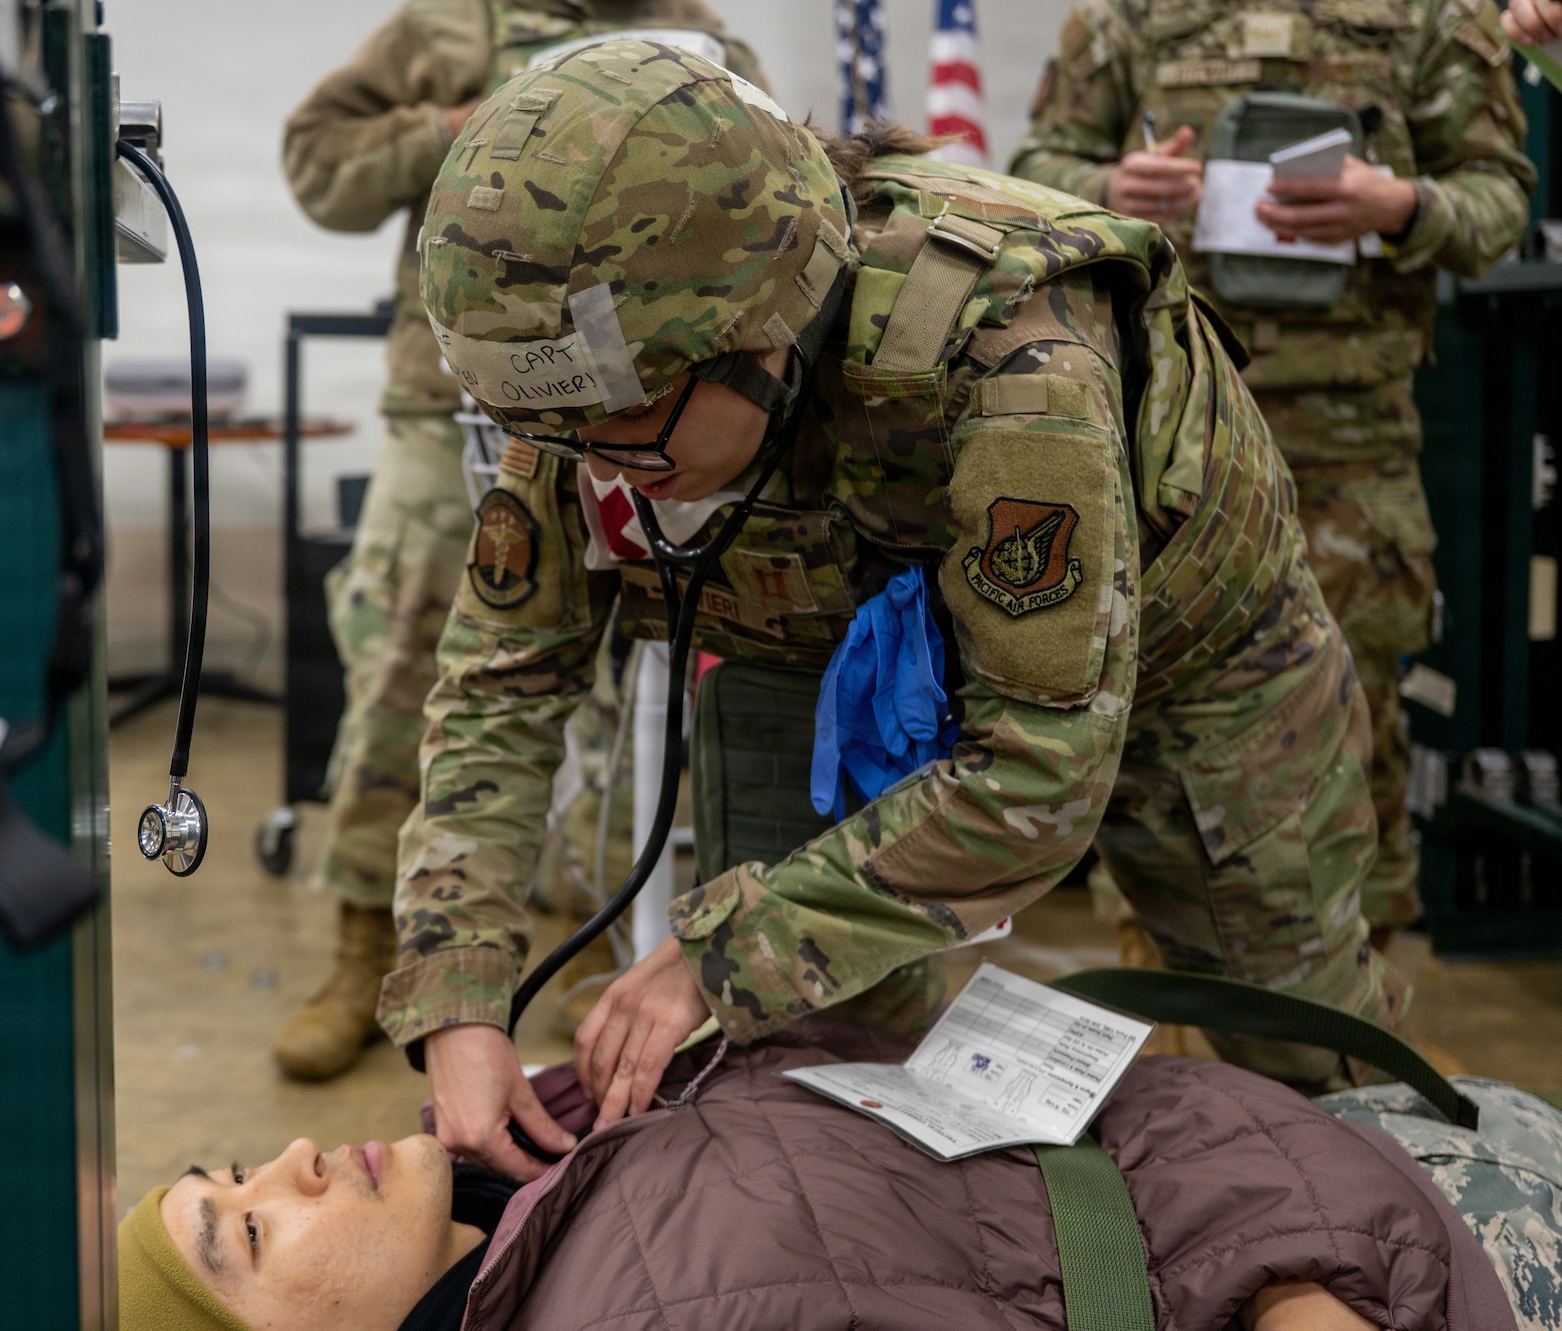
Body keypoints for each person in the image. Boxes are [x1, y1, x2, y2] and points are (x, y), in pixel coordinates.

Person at [383, 37, 1413, 1181]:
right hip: (822, 651)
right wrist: (457, 992)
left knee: (1301, 1066)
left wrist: (715, 952)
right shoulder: (598, 383)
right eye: (554, 434)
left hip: (1192, 670)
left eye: (626, 437)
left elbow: (1037, 771)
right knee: (808, 1071)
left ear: (760, 332)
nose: (590, 474)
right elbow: (500, 684)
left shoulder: (1011, 350)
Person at [273, 0, 768, 1082]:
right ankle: (372, 949)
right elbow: (316, 167)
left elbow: (770, 183)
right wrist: (455, 126)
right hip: (457, 401)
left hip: (654, 395)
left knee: (658, 681)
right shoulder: (449, 24)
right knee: (413, 669)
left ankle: (600, 937)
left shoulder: (698, 34)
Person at [1007, 0, 1534, 941]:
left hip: (1353, 451)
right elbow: (1037, 165)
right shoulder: (1127, 13)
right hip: (1173, 438)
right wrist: (1112, 182)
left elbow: (1499, 195)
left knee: (1351, 727)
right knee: (1150, 732)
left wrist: (1405, 205)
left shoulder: (1428, 16)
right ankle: (1162, 1034)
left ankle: (1351, 1045)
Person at [114, 1021, 1557, 1331]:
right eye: (247, 1224)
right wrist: (1293, 1284)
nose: (296, 1157)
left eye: (241, 1166)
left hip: (1331, 1158)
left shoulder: (543, 1187)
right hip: (1422, 1242)